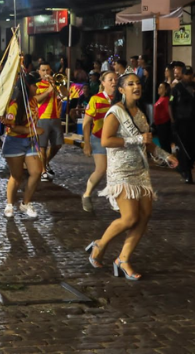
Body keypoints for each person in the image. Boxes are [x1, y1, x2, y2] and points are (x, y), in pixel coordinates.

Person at [85, 73, 177, 280]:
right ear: (121, 89)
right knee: (129, 218)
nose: (136, 86)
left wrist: (165, 155)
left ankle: (123, 259)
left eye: (137, 83)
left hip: (140, 171)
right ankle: (99, 245)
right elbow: (107, 140)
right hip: (121, 171)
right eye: (130, 84)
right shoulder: (115, 112)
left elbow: (148, 142)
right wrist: (135, 139)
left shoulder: (141, 113)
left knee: (144, 216)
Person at [2, 76, 44, 219]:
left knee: (37, 172)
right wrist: (32, 131)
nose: (36, 88)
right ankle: (9, 204)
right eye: (34, 86)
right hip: (15, 142)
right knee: (16, 176)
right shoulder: (15, 105)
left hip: (31, 142)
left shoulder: (33, 101)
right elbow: (11, 126)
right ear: (26, 88)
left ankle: (26, 203)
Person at [81, 71, 119, 212]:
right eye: (110, 79)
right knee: (101, 169)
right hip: (99, 138)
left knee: (115, 169)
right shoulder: (95, 99)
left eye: (116, 79)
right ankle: (87, 194)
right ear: (103, 83)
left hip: (116, 139)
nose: (114, 82)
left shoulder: (121, 99)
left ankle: (114, 197)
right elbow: (86, 123)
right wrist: (87, 143)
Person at [36, 61, 64, 180]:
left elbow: (65, 95)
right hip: (42, 118)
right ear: (39, 72)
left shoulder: (55, 84)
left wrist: (59, 85)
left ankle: (45, 162)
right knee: (42, 146)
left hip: (56, 117)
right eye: (43, 70)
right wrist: (48, 91)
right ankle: (43, 171)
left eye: (48, 70)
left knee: (57, 144)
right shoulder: (37, 85)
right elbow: (37, 100)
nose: (46, 72)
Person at [170, 61, 195, 184]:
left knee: (192, 147)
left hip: (193, 123)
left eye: (190, 74)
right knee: (184, 149)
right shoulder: (177, 88)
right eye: (186, 74)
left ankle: (189, 168)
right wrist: (173, 121)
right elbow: (171, 105)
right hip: (181, 123)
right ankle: (187, 172)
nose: (188, 77)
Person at [154, 82, 172, 154]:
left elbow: (169, 111)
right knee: (162, 143)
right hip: (159, 124)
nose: (158, 89)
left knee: (165, 143)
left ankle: (168, 160)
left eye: (161, 87)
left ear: (166, 90)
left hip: (164, 124)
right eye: (159, 87)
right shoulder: (160, 98)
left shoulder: (166, 99)